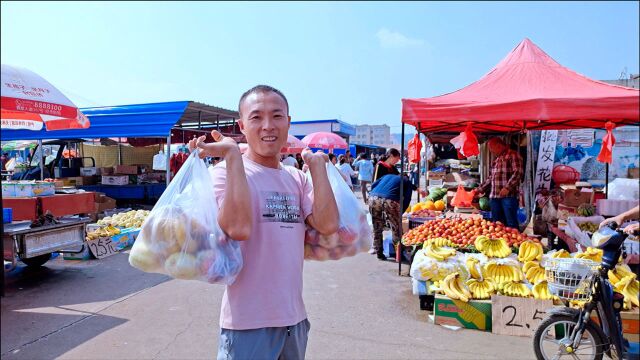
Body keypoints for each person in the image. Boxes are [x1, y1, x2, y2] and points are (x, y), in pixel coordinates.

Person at [189, 85, 339, 359]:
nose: (268, 126)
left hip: (294, 321)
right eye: (256, 117)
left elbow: (328, 225)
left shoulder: (297, 178)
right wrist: (233, 156)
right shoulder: (223, 173)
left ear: (288, 122)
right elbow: (238, 228)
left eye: (277, 116)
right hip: (247, 325)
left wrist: (317, 168)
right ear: (242, 125)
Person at [368, 174, 426, 260]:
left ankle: (379, 252)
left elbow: (373, 185)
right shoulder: (406, 181)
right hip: (390, 200)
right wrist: (400, 212)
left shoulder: (387, 176)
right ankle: (398, 254)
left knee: (377, 226)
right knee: (396, 227)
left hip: (373, 198)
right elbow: (407, 199)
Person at [476, 137, 523, 229]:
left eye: (492, 149)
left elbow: (518, 172)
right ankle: (499, 242)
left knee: (511, 223)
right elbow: (491, 178)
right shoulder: (497, 160)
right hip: (494, 197)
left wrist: (507, 188)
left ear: (499, 146)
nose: (491, 152)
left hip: (508, 197)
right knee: (497, 224)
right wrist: (479, 189)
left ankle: (513, 242)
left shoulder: (513, 155)